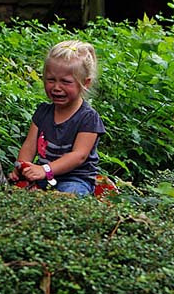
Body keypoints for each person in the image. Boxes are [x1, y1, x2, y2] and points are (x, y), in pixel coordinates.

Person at [9, 40, 106, 195]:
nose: (56, 87)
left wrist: (45, 169)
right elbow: (29, 146)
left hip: (75, 180)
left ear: (85, 83)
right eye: (51, 80)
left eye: (66, 82)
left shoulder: (88, 118)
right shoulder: (43, 112)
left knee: (67, 196)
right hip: (43, 177)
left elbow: (79, 156)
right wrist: (22, 166)